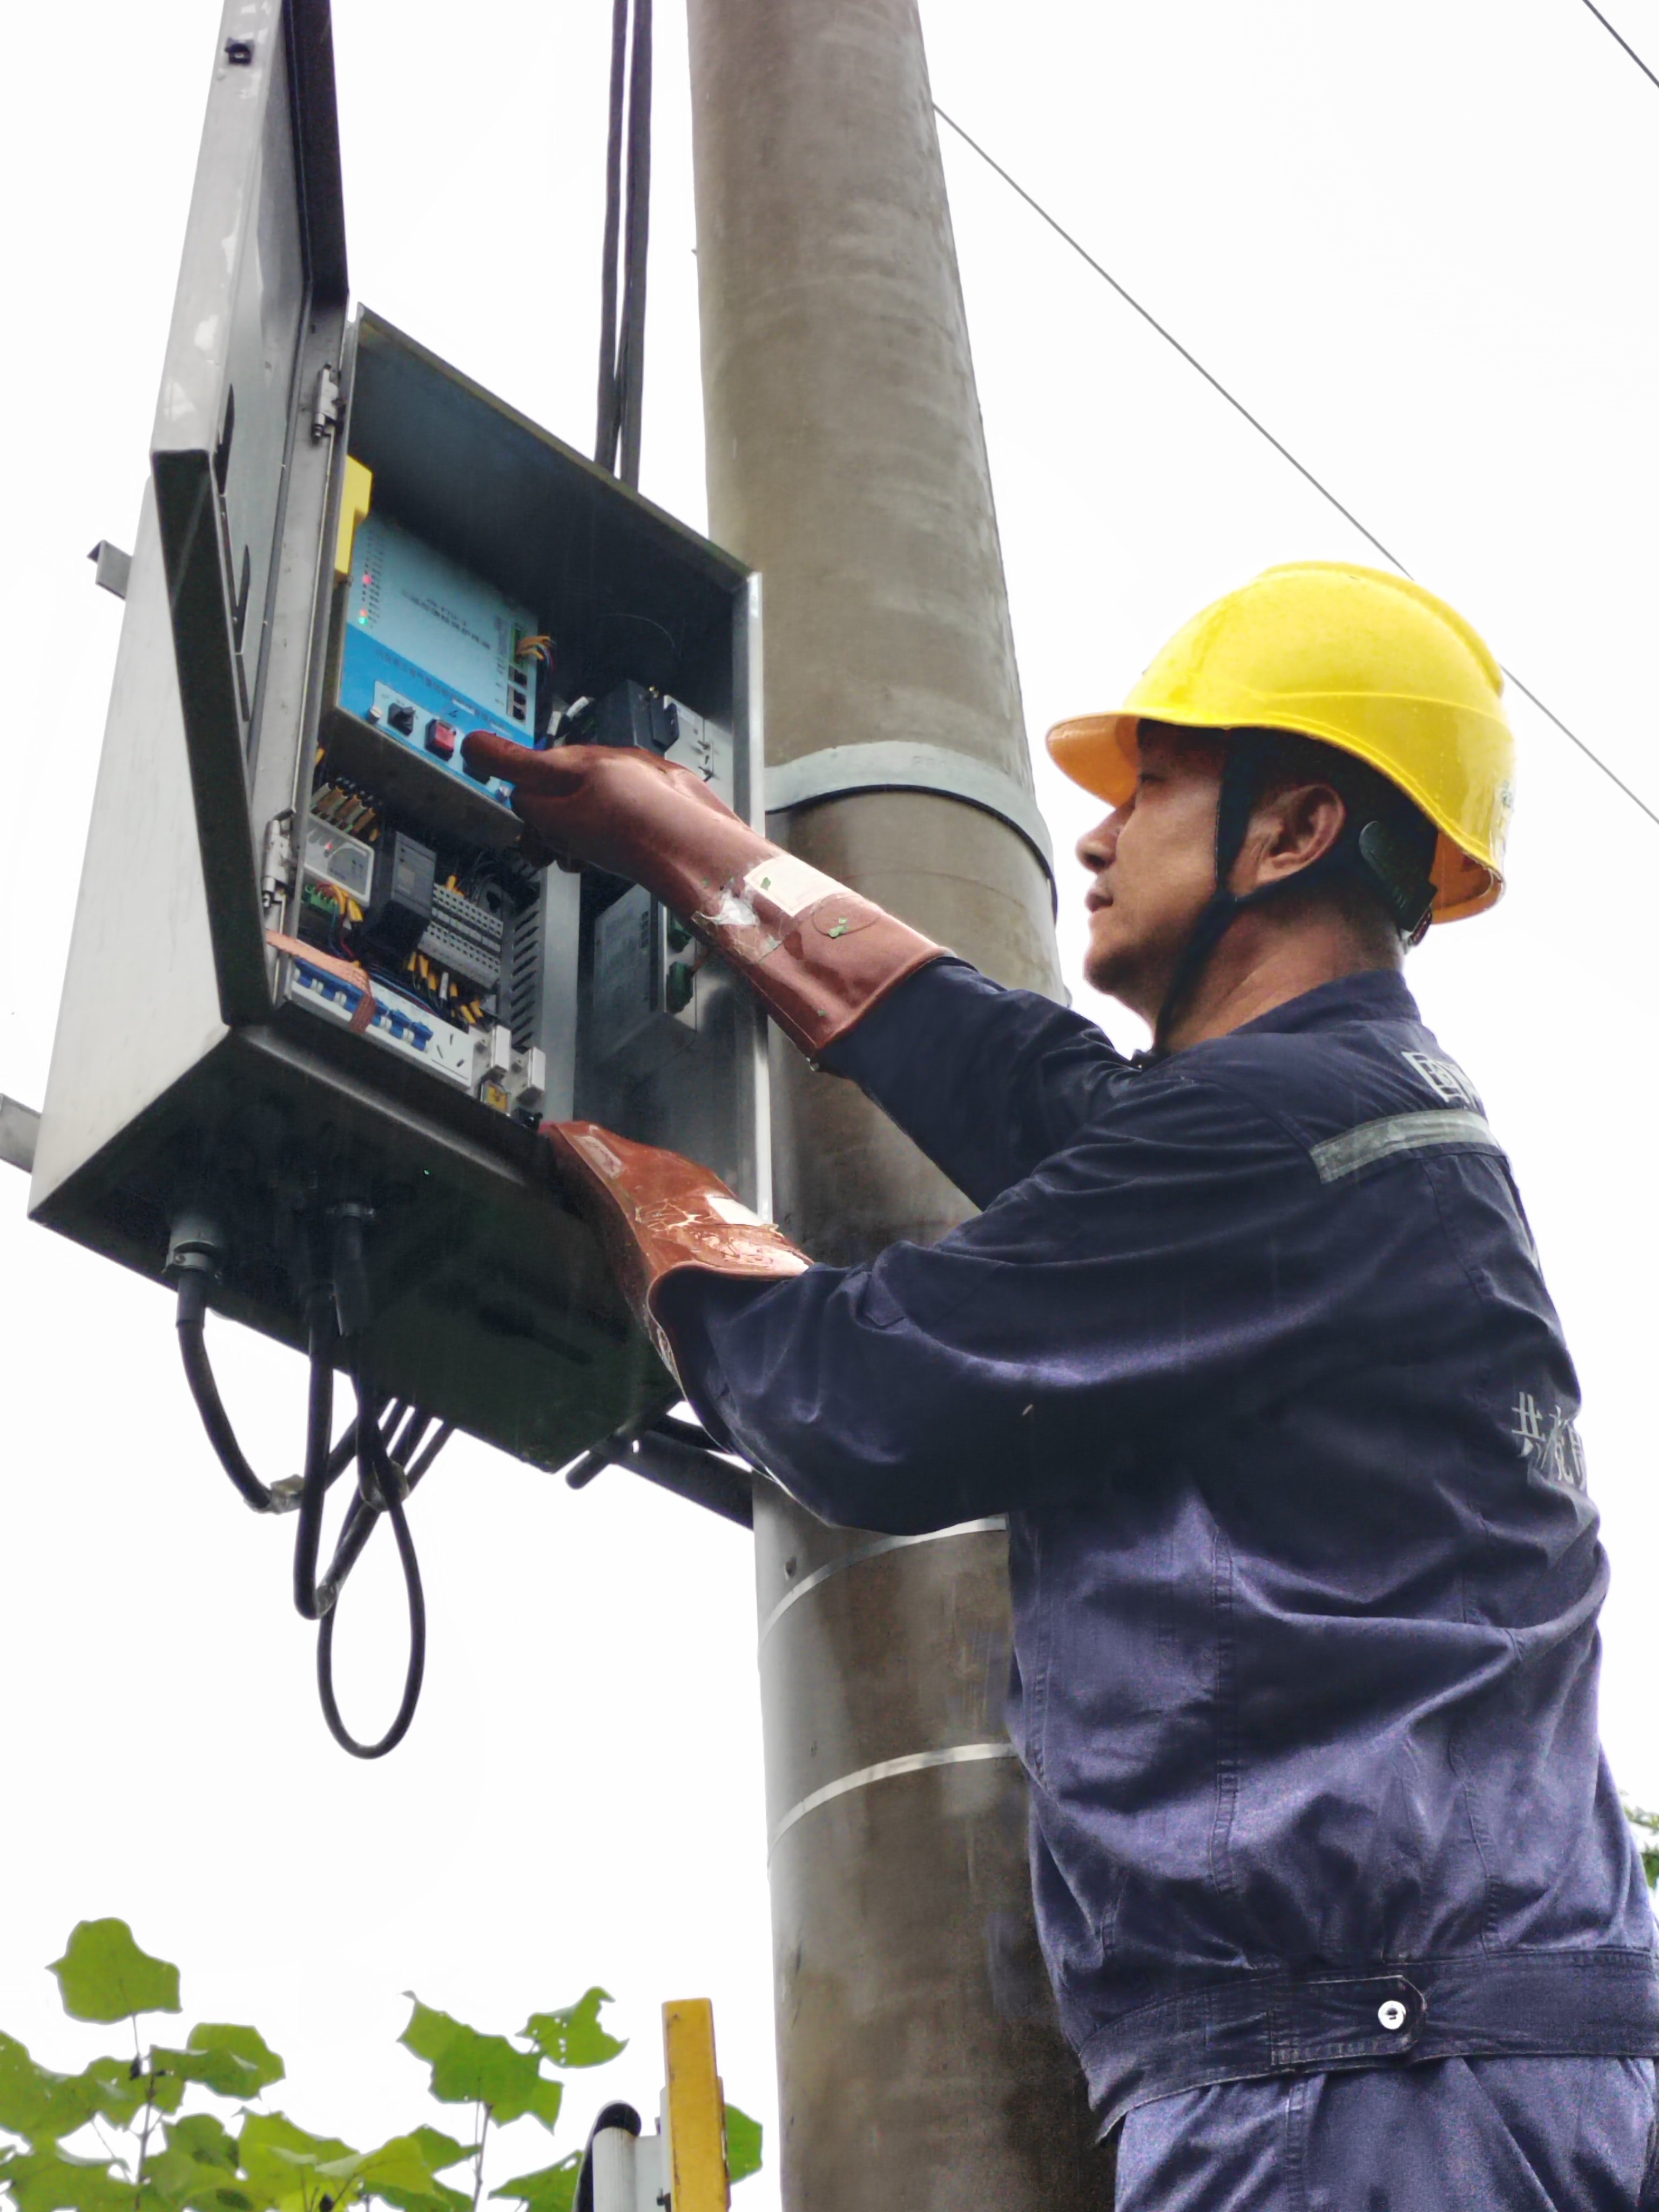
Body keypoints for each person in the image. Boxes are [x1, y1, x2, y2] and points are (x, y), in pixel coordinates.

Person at [464, 562, 1659, 2209]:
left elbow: (858, 1400)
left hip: (1364, 2089)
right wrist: (688, 844)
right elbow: (1033, 1092)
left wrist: (598, 1163)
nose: (1093, 836)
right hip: (1439, 2066)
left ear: (1294, 830)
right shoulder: (1355, 1121)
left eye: (1155, 789)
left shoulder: (1284, 1142)